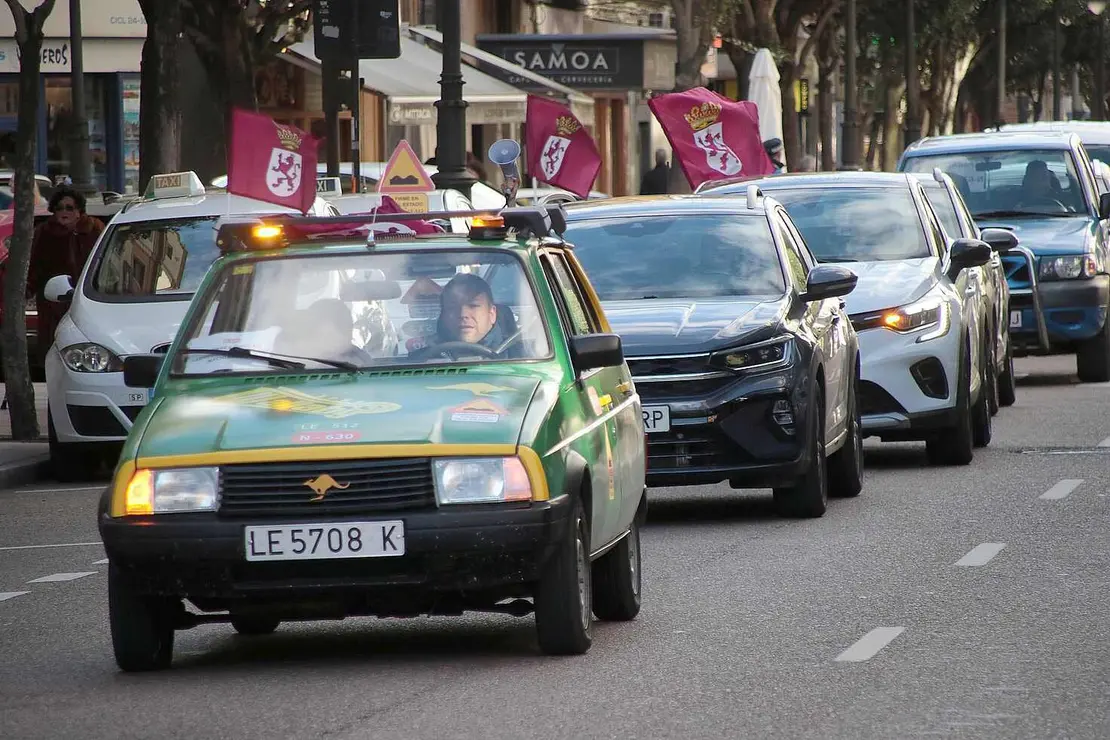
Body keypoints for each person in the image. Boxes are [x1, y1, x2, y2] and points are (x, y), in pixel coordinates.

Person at [27, 187, 105, 361]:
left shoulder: (94, 229)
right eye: (59, 208)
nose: (64, 212)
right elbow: (34, 265)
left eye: (69, 208)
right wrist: (27, 290)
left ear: (79, 211)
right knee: (54, 348)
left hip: (87, 298)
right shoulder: (44, 232)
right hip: (53, 301)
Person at [434, 273, 521, 358]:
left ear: (492, 313)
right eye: (452, 307)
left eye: (473, 306)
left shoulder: (522, 357)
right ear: (443, 316)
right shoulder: (426, 360)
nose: (463, 314)